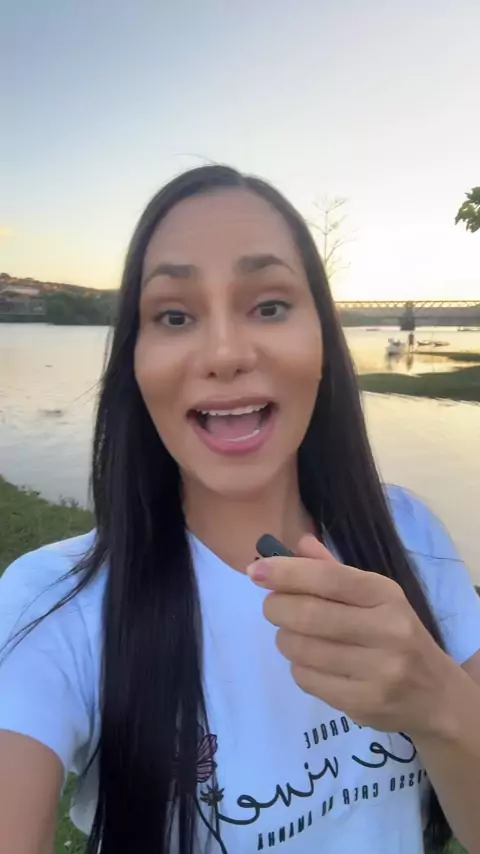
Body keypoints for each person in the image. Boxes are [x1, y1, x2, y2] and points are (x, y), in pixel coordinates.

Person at [1, 165, 480, 854]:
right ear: (134, 360)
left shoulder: (410, 535)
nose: (225, 354)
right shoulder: (51, 604)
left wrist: (440, 704)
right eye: (174, 316)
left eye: (270, 306)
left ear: (324, 340)